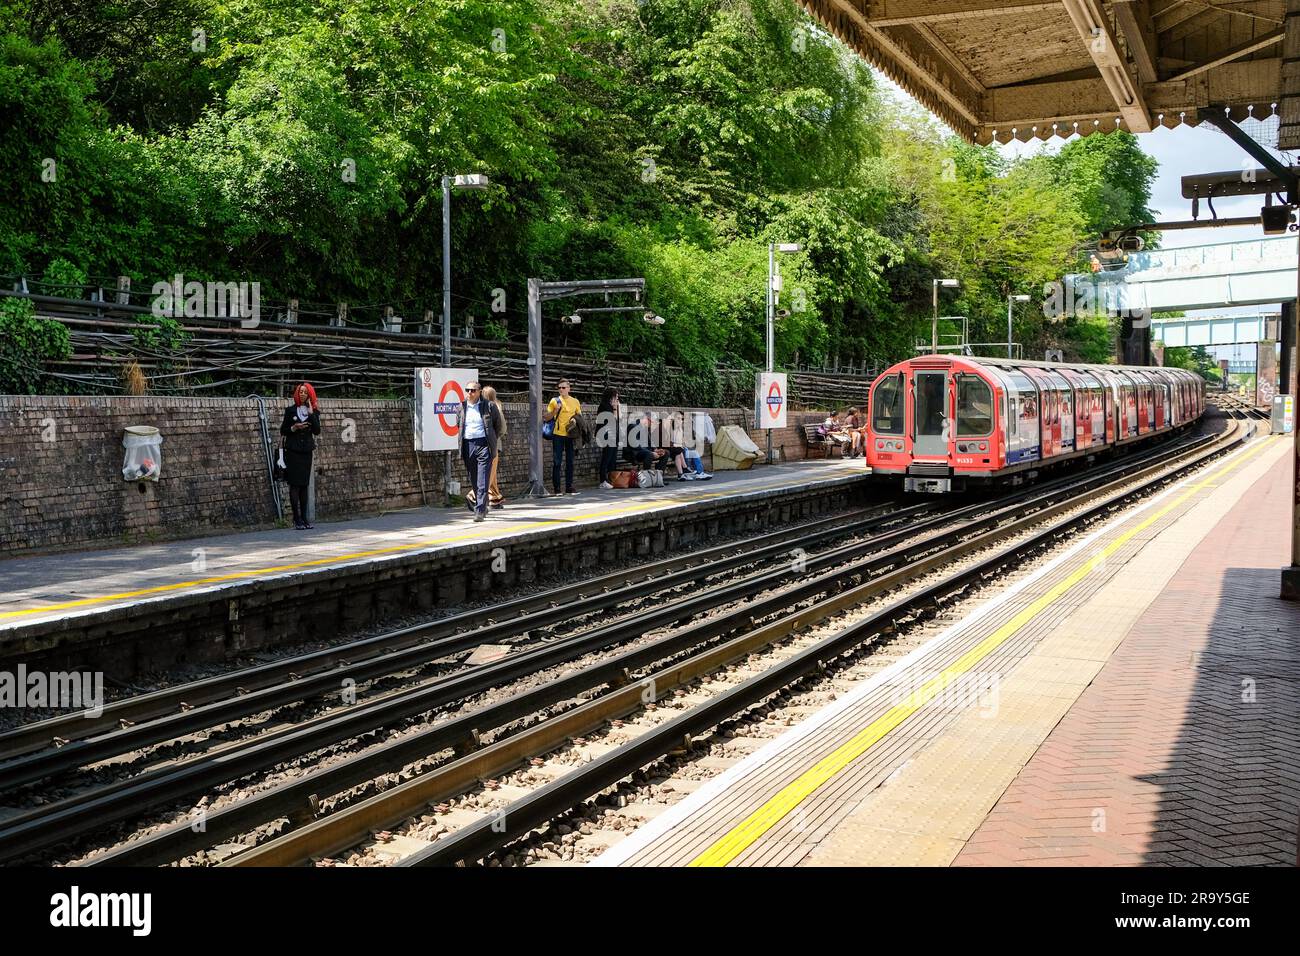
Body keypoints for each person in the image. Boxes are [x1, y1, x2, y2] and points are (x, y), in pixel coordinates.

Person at [459, 381, 504, 522]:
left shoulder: (489, 406)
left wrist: (491, 440)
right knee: (473, 478)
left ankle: (479, 510)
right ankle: (482, 505)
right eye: (467, 390)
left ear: (479, 392)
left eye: (473, 390)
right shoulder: (462, 406)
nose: (469, 393)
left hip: (484, 445)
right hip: (468, 444)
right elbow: (458, 424)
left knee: (483, 478)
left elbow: (498, 425)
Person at [280, 382, 321, 530]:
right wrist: (294, 427)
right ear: (297, 394)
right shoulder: (290, 410)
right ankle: (296, 518)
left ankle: (304, 518)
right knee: (295, 485)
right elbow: (283, 430)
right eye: (300, 392)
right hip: (293, 451)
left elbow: (317, 431)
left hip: (306, 452)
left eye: (305, 392)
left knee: (304, 485)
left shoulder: (314, 412)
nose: (302, 394)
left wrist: (311, 414)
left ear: (310, 394)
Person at [544, 379, 581, 496]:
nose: (561, 389)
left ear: (569, 389)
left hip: (571, 435)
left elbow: (579, 416)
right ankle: (557, 489)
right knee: (557, 462)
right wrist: (555, 410)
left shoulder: (575, 401)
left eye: (563, 387)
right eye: (559, 388)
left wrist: (575, 419)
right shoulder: (554, 401)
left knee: (570, 461)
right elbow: (546, 418)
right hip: (558, 435)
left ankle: (569, 487)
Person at [482, 385, 507, 508]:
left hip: (485, 443)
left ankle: (493, 498)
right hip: (494, 443)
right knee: (491, 471)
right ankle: (491, 497)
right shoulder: (496, 406)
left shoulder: (484, 407)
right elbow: (502, 427)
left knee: (491, 472)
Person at [597, 387, 620, 489]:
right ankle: (603, 480)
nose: (617, 399)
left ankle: (611, 479)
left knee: (612, 458)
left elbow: (619, 419)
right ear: (611, 397)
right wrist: (615, 408)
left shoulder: (611, 406)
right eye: (616, 397)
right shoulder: (604, 406)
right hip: (606, 435)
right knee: (606, 458)